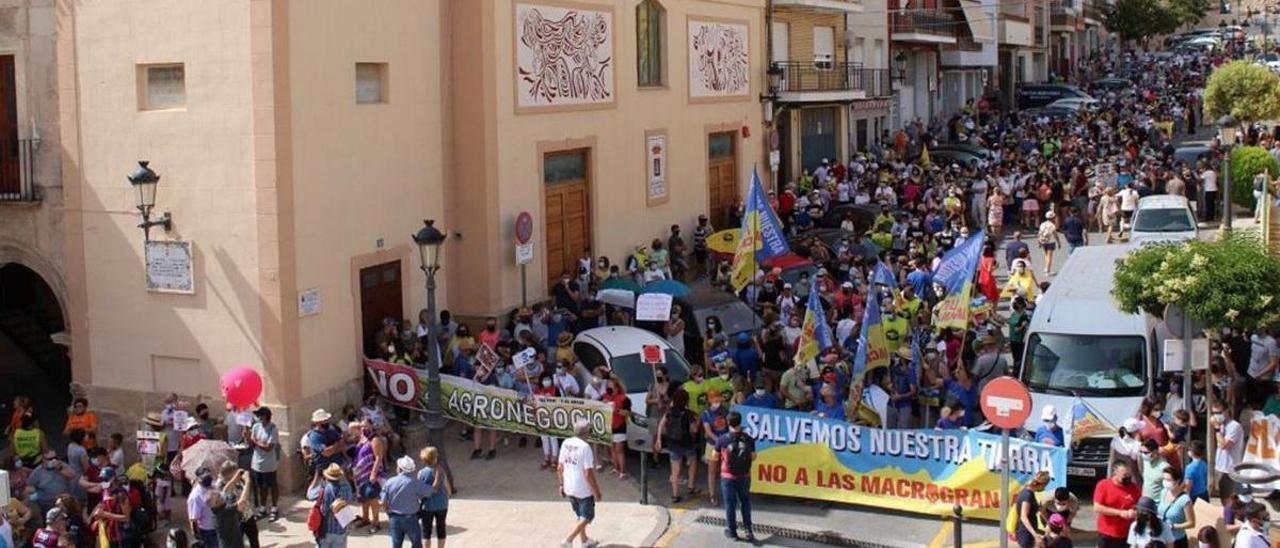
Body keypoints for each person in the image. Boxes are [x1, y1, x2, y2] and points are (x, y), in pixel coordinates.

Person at [557, 418, 602, 548]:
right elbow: (588, 473)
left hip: (569, 486)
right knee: (587, 516)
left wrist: (561, 484)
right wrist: (596, 491)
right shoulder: (585, 447)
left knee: (580, 515)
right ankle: (569, 539)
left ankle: (585, 540)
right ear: (586, 433)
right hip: (583, 488)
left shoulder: (566, 443)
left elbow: (559, 467)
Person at [715, 411, 756, 543]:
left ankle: (732, 531)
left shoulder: (723, 439)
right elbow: (754, 456)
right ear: (740, 422)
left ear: (728, 422)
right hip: (744, 475)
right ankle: (748, 530)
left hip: (728, 476)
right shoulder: (748, 438)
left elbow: (714, 456)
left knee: (730, 504)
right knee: (745, 502)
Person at [655, 389, 699, 503]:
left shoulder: (669, 412)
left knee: (675, 470)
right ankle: (690, 486)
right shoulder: (688, 413)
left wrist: (659, 440)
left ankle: (675, 495)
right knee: (693, 462)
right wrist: (697, 422)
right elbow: (694, 429)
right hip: (687, 443)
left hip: (673, 443)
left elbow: (661, 425)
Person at [381, 456, 431, 548]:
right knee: (416, 544)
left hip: (394, 517)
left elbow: (383, 501)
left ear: (399, 469)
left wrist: (388, 512)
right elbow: (429, 492)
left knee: (396, 545)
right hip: (411, 518)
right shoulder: (415, 482)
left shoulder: (389, 482)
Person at [1094, 461, 1141, 548]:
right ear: (1115, 473)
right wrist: (1119, 513)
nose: (1128, 477)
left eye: (1129, 474)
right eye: (1125, 475)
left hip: (1126, 534)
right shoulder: (1103, 485)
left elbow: (1140, 506)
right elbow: (1097, 508)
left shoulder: (1134, 487)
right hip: (1107, 533)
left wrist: (1134, 512)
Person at [351, 421, 387, 534]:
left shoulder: (375, 439)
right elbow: (351, 427)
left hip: (370, 473)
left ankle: (376, 522)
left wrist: (373, 473)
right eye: (361, 426)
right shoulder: (362, 437)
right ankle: (365, 518)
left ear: (371, 426)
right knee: (363, 497)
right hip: (360, 474)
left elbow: (378, 457)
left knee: (372, 497)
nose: (363, 428)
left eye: (366, 426)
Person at [307, 463, 355, 548]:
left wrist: (316, 477)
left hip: (325, 531)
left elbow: (310, 495)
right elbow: (350, 497)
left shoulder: (324, 488)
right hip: (340, 530)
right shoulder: (347, 488)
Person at [248, 407, 280, 521]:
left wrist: (256, 441)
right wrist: (249, 438)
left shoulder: (273, 429)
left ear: (266, 416)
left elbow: (268, 447)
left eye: (261, 415)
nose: (259, 418)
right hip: (257, 463)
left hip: (269, 464)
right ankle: (263, 507)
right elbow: (251, 440)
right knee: (261, 486)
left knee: (272, 485)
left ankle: (274, 507)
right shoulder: (256, 427)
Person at [215, 462, 256, 548]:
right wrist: (247, 481)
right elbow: (241, 500)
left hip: (247, 514)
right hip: (235, 518)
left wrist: (238, 478)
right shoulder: (219, 485)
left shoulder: (236, 479)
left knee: (254, 539)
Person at [701, 392, 731, 505]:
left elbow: (729, 425)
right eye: (715, 401)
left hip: (725, 445)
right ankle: (712, 495)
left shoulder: (725, 411)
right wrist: (718, 440)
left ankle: (727, 493)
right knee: (712, 471)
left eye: (718, 400)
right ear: (710, 401)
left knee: (725, 470)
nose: (717, 403)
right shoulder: (706, 414)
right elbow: (707, 430)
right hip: (712, 446)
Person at [417, 447, 449, 548]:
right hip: (441, 504)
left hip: (427, 506)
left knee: (426, 532)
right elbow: (448, 487)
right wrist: (448, 494)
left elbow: (419, 490)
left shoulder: (421, 473)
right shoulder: (441, 471)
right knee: (441, 528)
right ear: (435, 458)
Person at [1211, 400, 1243, 496]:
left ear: (1226, 411)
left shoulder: (1234, 426)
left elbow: (1224, 445)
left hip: (1230, 468)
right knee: (1223, 496)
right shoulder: (1221, 425)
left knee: (1229, 497)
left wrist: (1216, 428)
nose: (1216, 416)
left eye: (1219, 413)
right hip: (1220, 466)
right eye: (1214, 413)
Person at [1158, 467, 1195, 548]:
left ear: (1177, 481)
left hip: (1177, 540)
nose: (1165, 482)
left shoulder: (1185, 499)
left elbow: (1191, 523)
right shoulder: (1163, 492)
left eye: (1168, 480)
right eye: (1164, 479)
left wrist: (1174, 526)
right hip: (1163, 539)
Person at [1014, 470, 1050, 547]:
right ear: (1041, 484)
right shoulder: (1027, 495)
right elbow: (1024, 517)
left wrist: (1048, 523)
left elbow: (1039, 510)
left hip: (1028, 531)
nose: (1044, 488)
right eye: (1045, 486)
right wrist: (1035, 535)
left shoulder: (1029, 492)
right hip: (1025, 532)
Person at [187, 468, 220, 548]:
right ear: (198, 479)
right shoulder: (196, 496)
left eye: (208, 476)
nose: (208, 478)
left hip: (219, 526)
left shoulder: (214, 486)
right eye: (204, 477)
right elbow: (193, 519)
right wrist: (197, 536)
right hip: (208, 531)